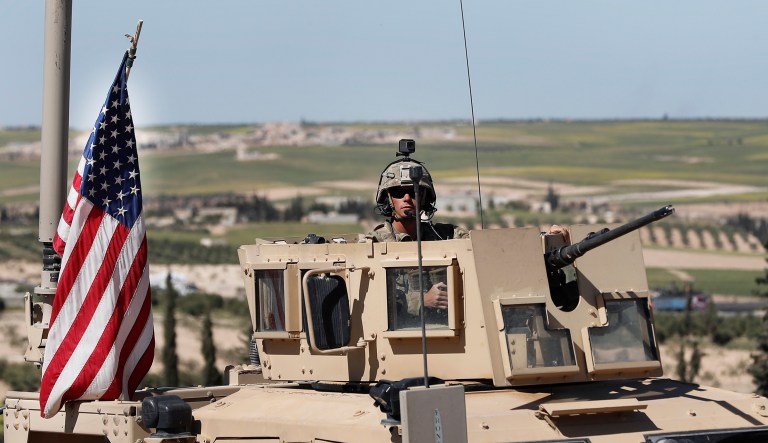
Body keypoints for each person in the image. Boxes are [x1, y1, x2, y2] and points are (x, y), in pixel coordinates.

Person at [364, 157, 467, 315]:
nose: (406, 198)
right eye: (398, 192)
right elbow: (370, 302)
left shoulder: (446, 236)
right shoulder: (373, 244)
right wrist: (422, 301)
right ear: (388, 199)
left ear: (424, 197)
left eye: (414, 191)